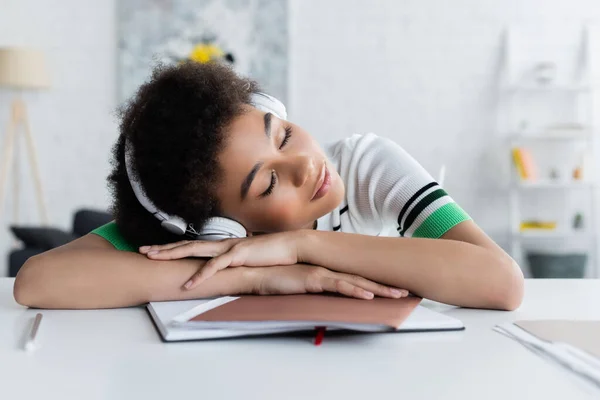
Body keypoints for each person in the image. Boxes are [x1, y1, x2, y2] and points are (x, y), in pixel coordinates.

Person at [13, 62, 523, 310]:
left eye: (281, 134)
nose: (304, 163)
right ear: (221, 228)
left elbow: (502, 282)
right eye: (268, 182)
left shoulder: (367, 165)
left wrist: (305, 244)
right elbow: (38, 281)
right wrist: (249, 276)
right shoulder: (208, 244)